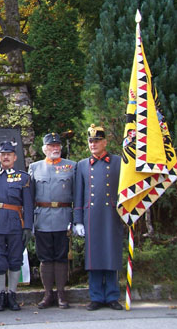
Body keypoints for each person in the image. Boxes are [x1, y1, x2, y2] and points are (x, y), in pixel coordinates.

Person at [73, 124, 124, 311]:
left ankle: (111, 296)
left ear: (105, 142)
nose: (93, 144)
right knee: (93, 258)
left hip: (111, 215)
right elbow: (78, 194)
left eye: (96, 141)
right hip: (91, 217)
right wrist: (78, 220)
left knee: (111, 255)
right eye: (90, 141)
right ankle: (95, 296)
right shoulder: (82, 165)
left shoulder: (118, 162)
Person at [28, 133, 76, 309]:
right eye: (51, 146)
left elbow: (77, 194)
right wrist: (30, 221)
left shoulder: (71, 166)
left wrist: (76, 220)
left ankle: (62, 294)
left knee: (61, 257)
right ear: (44, 149)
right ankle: (48, 294)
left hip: (63, 217)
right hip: (42, 217)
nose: (55, 149)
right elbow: (30, 196)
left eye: (57, 146)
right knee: (46, 258)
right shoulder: (34, 167)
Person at [0, 140, 33, 311]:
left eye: (9, 154)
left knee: (15, 261)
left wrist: (28, 226)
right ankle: (0, 294)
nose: (6, 157)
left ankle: (12, 294)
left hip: (16, 224)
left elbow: (28, 204)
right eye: (3, 154)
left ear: (15, 157)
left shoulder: (24, 177)